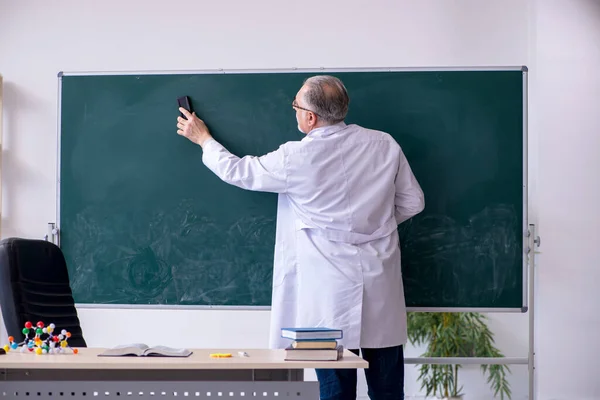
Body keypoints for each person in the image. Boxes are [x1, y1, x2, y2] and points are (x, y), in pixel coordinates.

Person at [176, 75, 425, 400]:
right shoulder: (384, 144)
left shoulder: (296, 157)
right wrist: (376, 224)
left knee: (335, 392)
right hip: (381, 286)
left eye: (296, 105)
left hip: (327, 297)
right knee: (388, 391)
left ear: (310, 117)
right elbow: (413, 202)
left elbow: (239, 171)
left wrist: (204, 139)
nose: (294, 111)